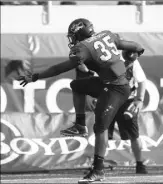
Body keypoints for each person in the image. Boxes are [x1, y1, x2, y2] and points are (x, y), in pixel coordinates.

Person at [18, 18, 144, 183]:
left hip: (116, 89)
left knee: (100, 127)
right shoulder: (107, 34)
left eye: (73, 35)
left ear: (79, 33)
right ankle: (80, 124)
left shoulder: (82, 48)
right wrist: (138, 52)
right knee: (76, 85)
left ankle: (98, 170)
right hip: (111, 84)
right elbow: (135, 46)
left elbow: (58, 68)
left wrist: (35, 76)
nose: (72, 39)